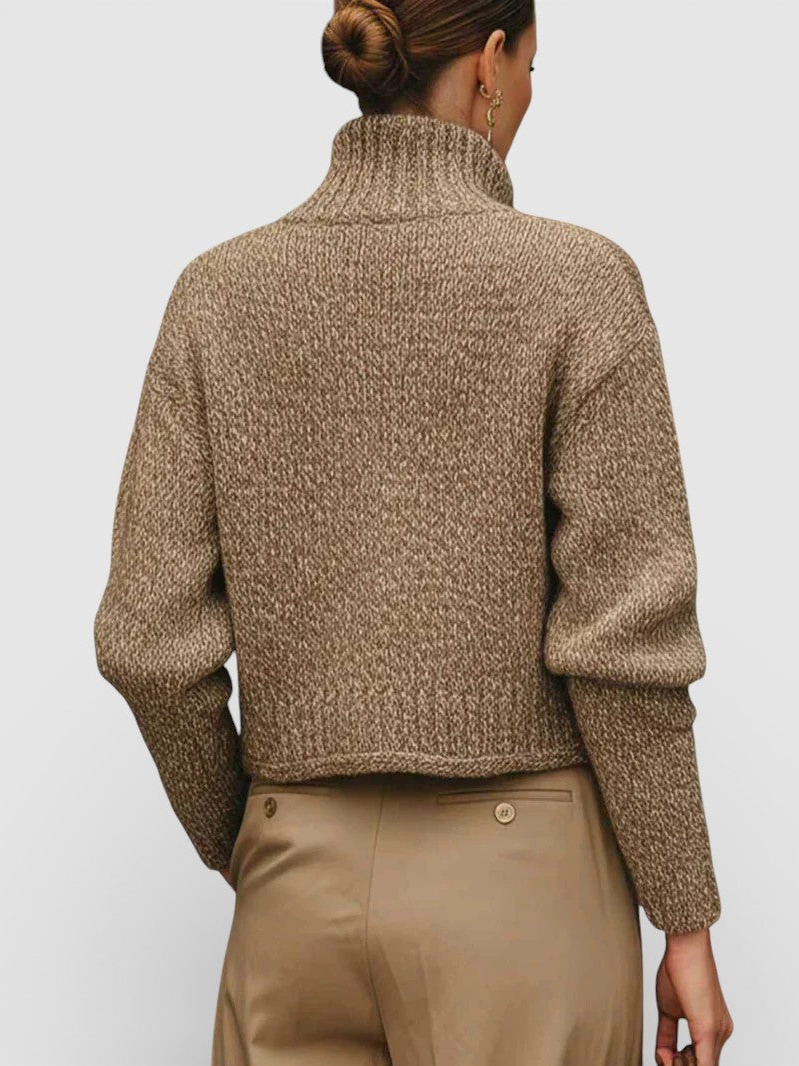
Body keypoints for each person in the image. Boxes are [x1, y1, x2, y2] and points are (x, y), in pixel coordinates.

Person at [92, 1, 734, 1063]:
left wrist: (255, 835)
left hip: (292, 889)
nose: (528, 93)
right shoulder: (576, 282)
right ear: (489, 64)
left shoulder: (215, 295)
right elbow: (624, 640)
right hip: (522, 900)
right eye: (532, 68)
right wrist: (686, 916)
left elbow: (147, 644)